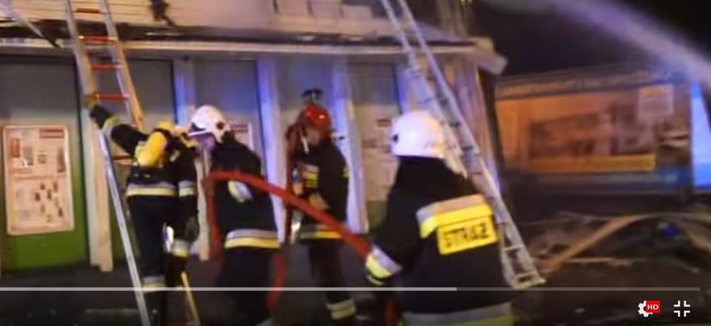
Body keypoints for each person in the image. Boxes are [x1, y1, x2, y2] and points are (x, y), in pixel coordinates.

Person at [364, 111, 514, 326]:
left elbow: (386, 260)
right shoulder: (468, 188)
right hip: (496, 311)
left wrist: (373, 279)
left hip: (441, 315)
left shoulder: (409, 193)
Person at [88, 101, 199, 326]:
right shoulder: (184, 153)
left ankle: (157, 316)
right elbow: (187, 191)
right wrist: (190, 218)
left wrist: (96, 111)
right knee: (184, 225)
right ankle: (175, 268)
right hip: (165, 201)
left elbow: (115, 129)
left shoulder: (141, 141)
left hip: (137, 202)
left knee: (150, 262)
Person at [189, 104, 278, 326]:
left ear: (216, 131)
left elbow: (249, 189)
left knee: (244, 294)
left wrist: (225, 185)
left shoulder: (236, 155)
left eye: (204, 138)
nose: (202, 145)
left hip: (250, 236)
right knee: (240, 292)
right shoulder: (223, 158)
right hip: (241, 236)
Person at [287, 102, 356, 324]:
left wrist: (299, 200)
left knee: (330, 278)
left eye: (310, 129)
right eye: (305, 130)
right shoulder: (311, 156)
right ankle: (339, 316)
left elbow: (328, 198)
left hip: (326, 229)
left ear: (321, 129)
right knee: (324, 278)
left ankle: (345, 320)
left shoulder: (330, 158)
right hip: (314, 230)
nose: (308, 134)